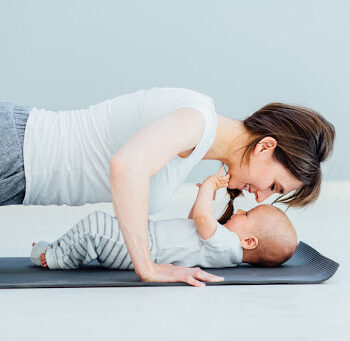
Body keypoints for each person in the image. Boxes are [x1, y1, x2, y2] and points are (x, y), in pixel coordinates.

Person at [0, 87, 335, 286]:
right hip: (14, 150)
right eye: (274, 185)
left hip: (18, 177)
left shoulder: (197, 140)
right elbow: (126, 166)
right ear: (265, 147)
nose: (261, 197)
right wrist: (148, 267)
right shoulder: (197, 120)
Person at [30, 167, 297, 286]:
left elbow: (204, 221)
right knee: (103, 227)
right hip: (143, 240)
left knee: (95, 225)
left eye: (246, 214)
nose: (239, 210)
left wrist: (208, 187)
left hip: (141, 250)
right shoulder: (224, 244)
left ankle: (54, 257)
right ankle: (61, 247)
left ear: (249, 242)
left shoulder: (228, 245)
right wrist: (202, 196)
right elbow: (195, 221)